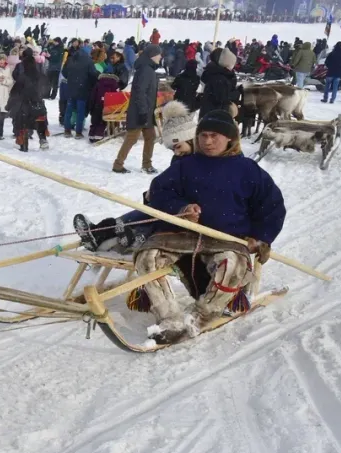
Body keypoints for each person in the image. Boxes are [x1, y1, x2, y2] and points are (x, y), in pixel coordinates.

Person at [135, 109, 284, 344]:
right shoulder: (186, 165)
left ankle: (200, 317)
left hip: (227, 238)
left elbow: (272, 207)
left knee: (231, 266)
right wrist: (181, 208)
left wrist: (260, 236)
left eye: (214, 136)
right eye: (203, 135)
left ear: (230, 139)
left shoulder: (248, 170)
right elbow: (158, 192)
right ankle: (170, 319)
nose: (207, 141)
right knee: (147, 258)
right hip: (182, 235)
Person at [74, 100, 197, 252]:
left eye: (178, 146)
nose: (177, 152)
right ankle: (104, 232)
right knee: (150, 210)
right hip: (173, 207)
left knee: (154, 212)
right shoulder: (181, 158)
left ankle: (122, 234)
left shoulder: (197, 161)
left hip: (186, 213)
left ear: (190, 138)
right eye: (173, 150)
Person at [113, 44, 161, 174]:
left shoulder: (148, 69)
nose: (160, 56)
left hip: (146, 111)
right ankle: (118, 164)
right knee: (132, 138)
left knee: (150, 137)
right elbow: (140, 92)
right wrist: (143, 111)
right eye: (159, 54)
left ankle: (147, 165)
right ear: (152, 56)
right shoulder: (146, 69)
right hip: (141, 110)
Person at [9, 48, 49, 151]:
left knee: (22, 125)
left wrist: (10, 104)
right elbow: (47, 88)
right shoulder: (41, 76)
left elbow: (14, 92)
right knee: (40, 122)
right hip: (38, 105)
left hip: (24, 106)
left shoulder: (22, 77)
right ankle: (43, 140)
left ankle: (23, 144)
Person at [61, 45, 98, 138]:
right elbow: (93, 74)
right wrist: (91, 84)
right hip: (83, 89)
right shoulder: (89, 61)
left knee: (69, 110)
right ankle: (78, 132)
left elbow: (64, 72)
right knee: (80, 111)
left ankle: (67, 130)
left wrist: (70, 79)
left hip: (70, 88)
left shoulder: (70, 59)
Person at [199, 47, 237, 118]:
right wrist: (236, 93)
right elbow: (222, 98)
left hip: (210, 112)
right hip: (215, 115)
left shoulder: (216, 73)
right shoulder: (220, 77)